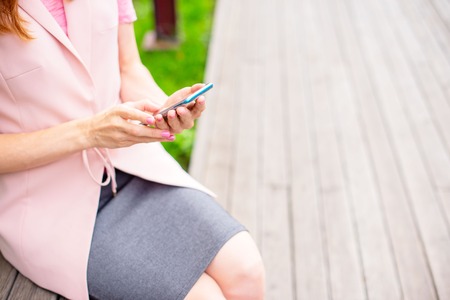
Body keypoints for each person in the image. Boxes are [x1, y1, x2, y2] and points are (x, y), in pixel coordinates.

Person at [0, 0, 265, 299]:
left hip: (132, 165)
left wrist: (162, 110)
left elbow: (128, 67)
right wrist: (89, 132)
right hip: (48, 205)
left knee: (247, 270)